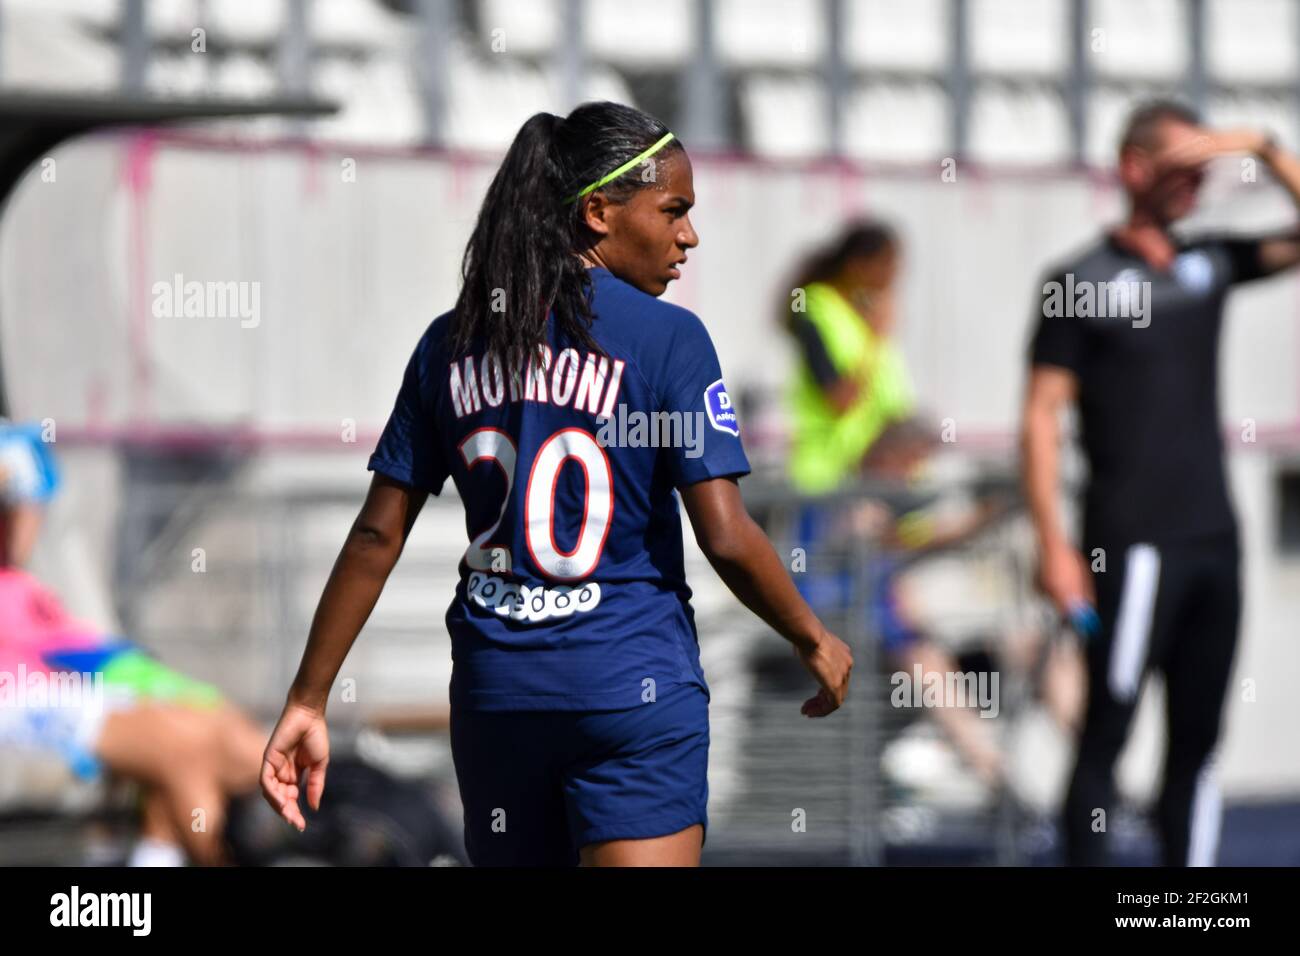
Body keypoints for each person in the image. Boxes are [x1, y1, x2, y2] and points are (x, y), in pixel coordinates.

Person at [260, 101, 854, 867]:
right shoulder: (670, 339)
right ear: (599, 212)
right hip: (629, 691)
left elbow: (378, 532)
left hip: (499, 694)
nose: (689, 236)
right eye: (673, 210)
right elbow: (727, 535)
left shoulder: (453, 340)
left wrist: (308, 698)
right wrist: (812, 635)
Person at [1021, 100, 1300, 866]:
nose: (1197, 181)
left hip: (1214, 536)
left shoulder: (1210, 262)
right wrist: (1054, 545)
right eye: (1182, 164)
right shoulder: (1079, 281)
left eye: (1206, 167)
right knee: (1108, 730)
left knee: (1199, 741)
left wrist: (1262, 148)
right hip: (1130, 543)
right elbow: (1041, 418)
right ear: (1133, 167)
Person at [780, 224, 1008, 786]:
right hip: (835, 491)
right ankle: (984, 777)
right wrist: (876, 339)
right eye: (888, 270)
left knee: (993, 631)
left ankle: (977, 769)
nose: (893, 286)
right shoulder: (822, 312)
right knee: (907, 631)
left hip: (874, 504)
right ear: (862, 263)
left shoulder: (864, 320)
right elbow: (843, 398)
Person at [0, 421, 267, 866]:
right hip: (18, 690)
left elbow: (74, 649)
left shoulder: (20, 584)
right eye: (28, 507)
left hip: (53, 682)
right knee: (182, 749)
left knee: (216, 727)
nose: (32, 519)